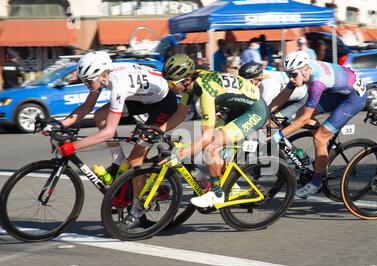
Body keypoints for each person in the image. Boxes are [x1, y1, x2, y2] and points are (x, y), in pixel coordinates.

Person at [44, 51, 188, 229]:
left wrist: (73, 146)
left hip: (164, 103)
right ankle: (119, 163)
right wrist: (58, 125)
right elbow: (87, 107)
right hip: (142, 98)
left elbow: (108, 132)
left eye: (89, 81)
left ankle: (137, 213)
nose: (87, 85)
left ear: (101, 74)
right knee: (100, 115)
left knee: (136, 157)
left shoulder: (118, 83)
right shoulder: (104, 75)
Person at [162, 54, 268, 208]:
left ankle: (217, 194)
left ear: (186, 80)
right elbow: (180, 114)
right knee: (211, 147)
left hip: (255, 110)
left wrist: (179, 155)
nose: (169, 88)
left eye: (171, 84)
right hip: (236, 107)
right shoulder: (190, 84)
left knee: (211, 145)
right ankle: (231, 188)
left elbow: (206, 138)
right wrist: (158, 130)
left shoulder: (205, 91)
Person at [269, 51, 367, 198]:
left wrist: (279, 135)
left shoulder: (317, 82)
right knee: (301, 114)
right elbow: (285, 94)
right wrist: (268, 113)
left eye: (293, 75)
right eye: (289, 74)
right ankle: (323, 143)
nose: (292, 79)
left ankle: (316, 182)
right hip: (337, 92)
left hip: (353, 99)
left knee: (319, 137)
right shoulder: (301, 70)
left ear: (306, 69)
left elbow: (304, 119)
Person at [238, 61, 308, 119]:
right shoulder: (260, 74)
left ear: (256, 80)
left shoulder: (267, 89)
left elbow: (261, 112)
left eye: (246, 82)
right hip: (282, 96)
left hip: (298, 100)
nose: (244, 84)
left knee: (270, 123)